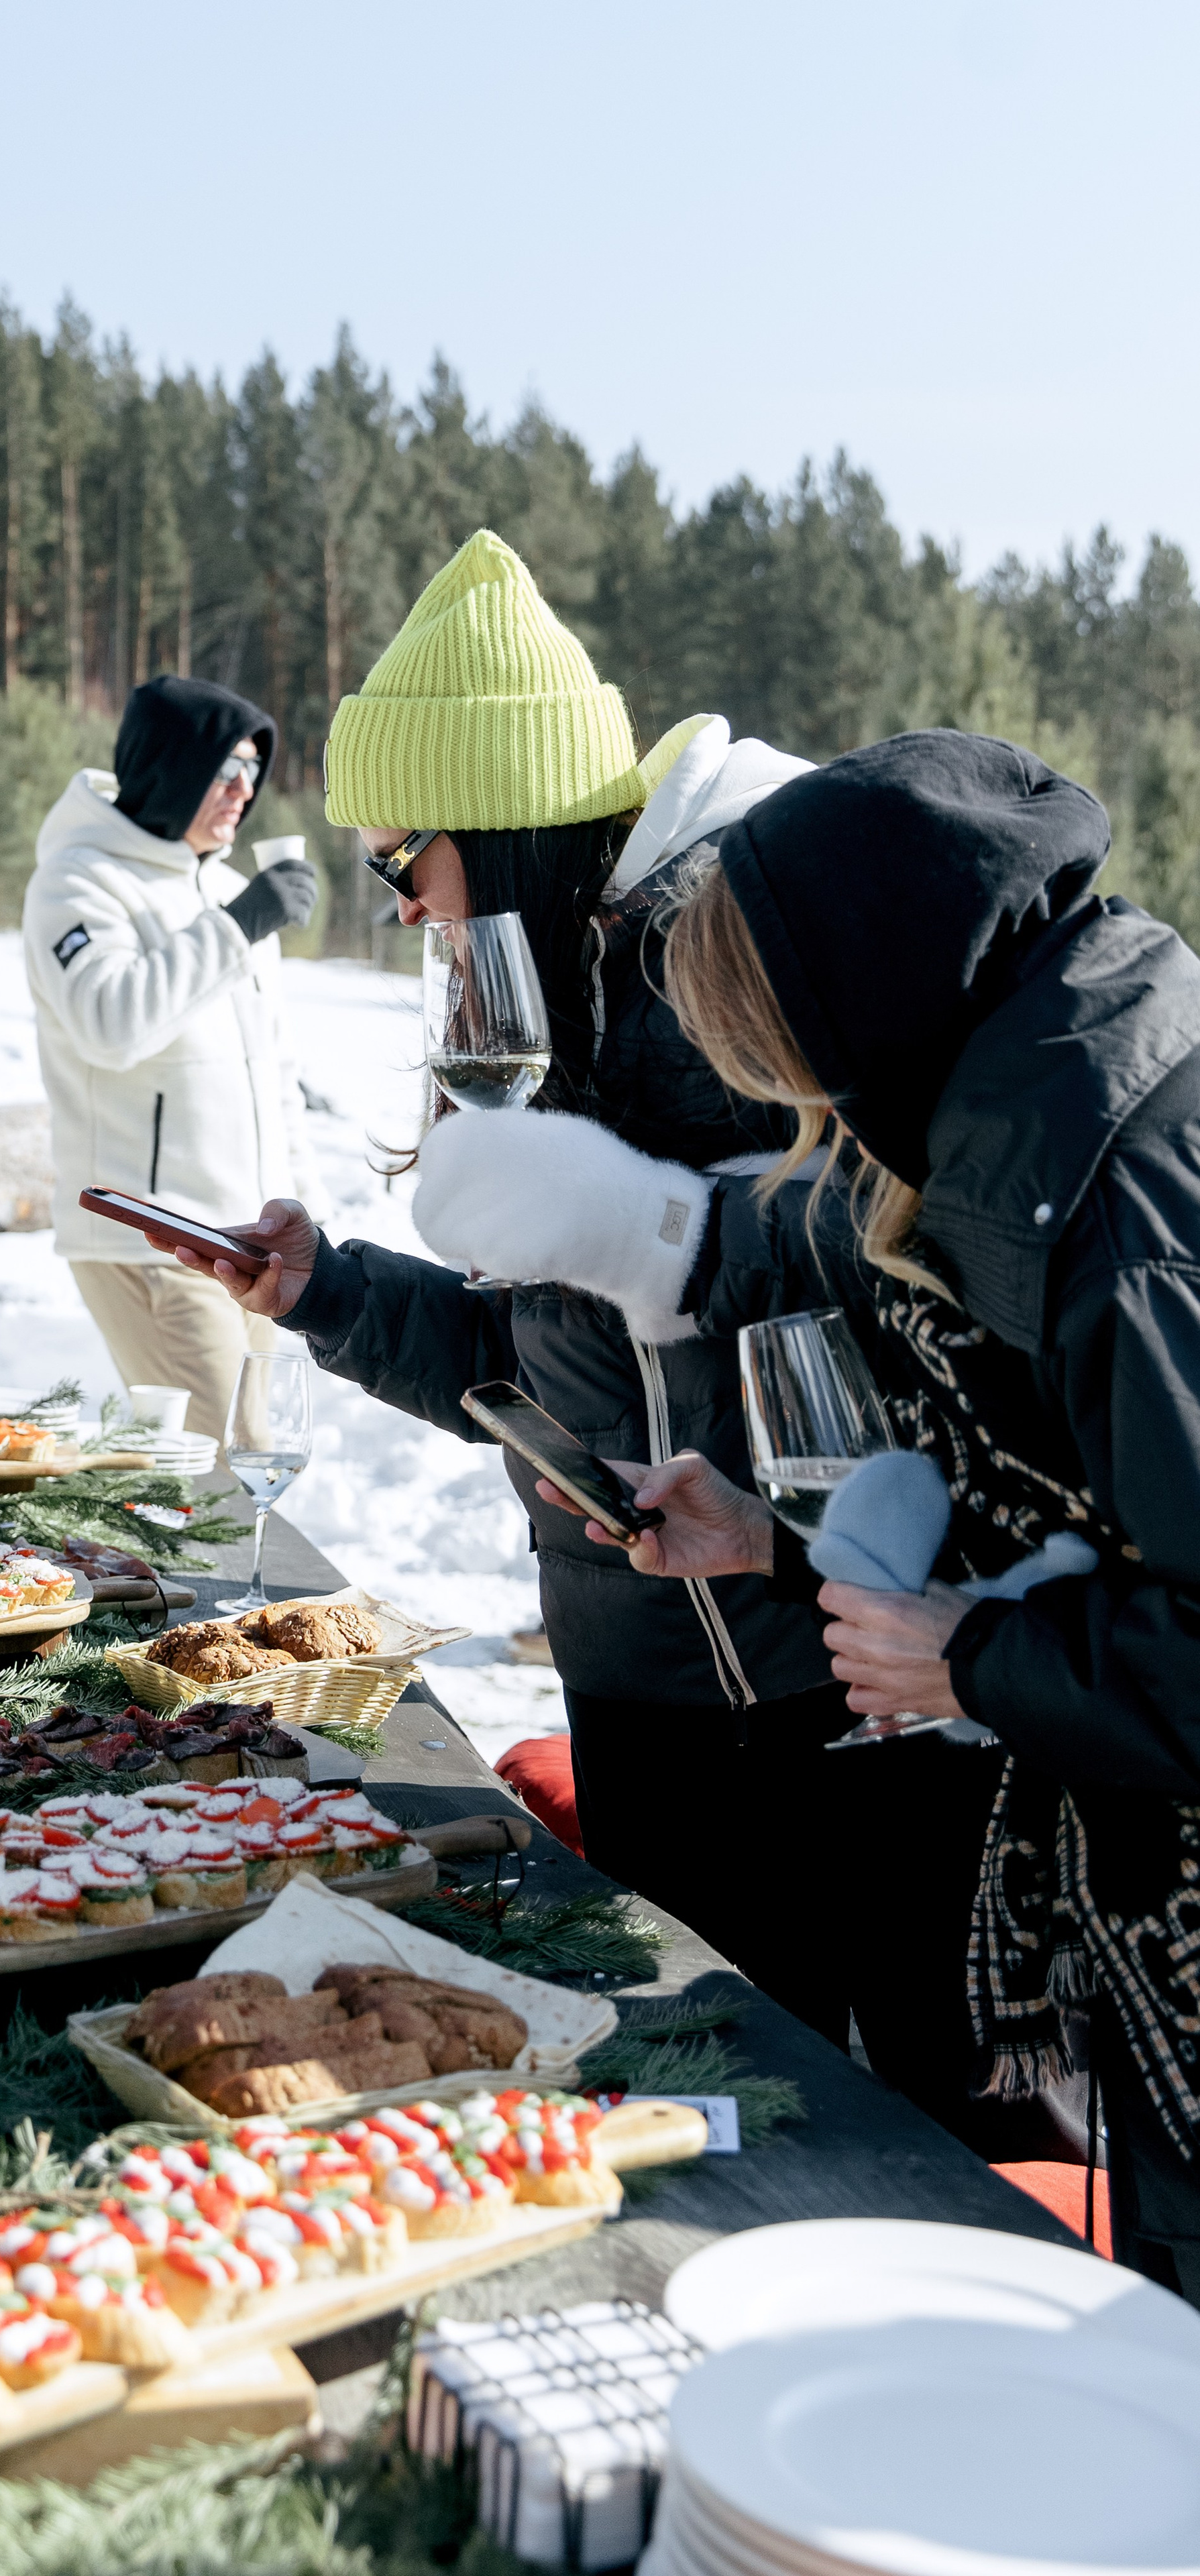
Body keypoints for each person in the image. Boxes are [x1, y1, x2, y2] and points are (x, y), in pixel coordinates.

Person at [150, 531, 1007, 2145]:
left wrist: (646, 1226)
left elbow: (886, 1271)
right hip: (645, 1676)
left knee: (869, 2134)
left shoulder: (733, 971)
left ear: (508, 832)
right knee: (695, 2113)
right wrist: (327, 1289)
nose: (401, 905)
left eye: (406, 861)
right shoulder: (551, 998)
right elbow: (538, 1359)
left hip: (809, 1693)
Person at [498, 728, 1200, 2289]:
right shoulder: (1016, 1129)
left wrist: (968, 1661)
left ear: (850, 1010)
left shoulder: (1126, 1217)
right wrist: (772, 1537)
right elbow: (1061, 1523)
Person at [23, 675, 319, 1442]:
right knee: (224, 1468)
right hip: (146, 1237)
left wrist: (308, 1214)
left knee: (254, 1463)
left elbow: (272, 1075)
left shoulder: (224, 891)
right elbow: (108, 1024)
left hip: (246, 1240)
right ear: (172, 766)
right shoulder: (77, 880)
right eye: (224, 769)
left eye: (254, 770)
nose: (241, 790)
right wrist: (239, 924)